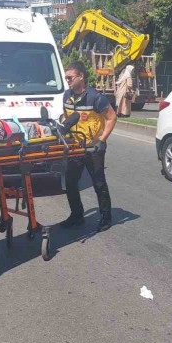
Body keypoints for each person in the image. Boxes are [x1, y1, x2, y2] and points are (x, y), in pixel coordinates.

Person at [61, 61, 117, 233]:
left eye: (70, 77)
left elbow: (112, 117)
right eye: (66, 78)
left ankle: (106, 218)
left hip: (93, 148)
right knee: (70, 182)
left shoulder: (95, 97)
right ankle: (77, 215)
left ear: (81, 76)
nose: (67, 80)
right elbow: (66, 117)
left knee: (98, 182)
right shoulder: (67, 96)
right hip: (75, 147)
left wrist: (102, 140)